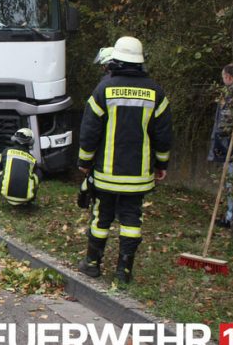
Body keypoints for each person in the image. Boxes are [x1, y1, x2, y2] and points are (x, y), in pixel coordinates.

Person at [77, 36, 173, 284]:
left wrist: (84, 162)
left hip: (106, 174)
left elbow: (89, 131)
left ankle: (92, 264)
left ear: (115, 60)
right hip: (138, 177)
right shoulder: (156, 92)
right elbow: (163, 135)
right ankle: (124, 272)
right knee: (132, 220)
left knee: (101, 217)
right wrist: (162, 164)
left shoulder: (103, 90)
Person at [207, 64, 233, 228]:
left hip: (232, 147)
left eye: (223, 77)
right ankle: (231, 215)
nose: (223, 80)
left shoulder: (231, 96)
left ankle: (231, 217)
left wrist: (220, 148)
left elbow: (224, 126)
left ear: (229, 77)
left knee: (232, 183)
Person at [0, 128, 40, 209]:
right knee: (37, 175)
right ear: (30, 142)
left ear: (15, 139)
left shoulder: (6, 152)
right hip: (25, 197)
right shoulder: (32, 159)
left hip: (5, 192)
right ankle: (29, 202)